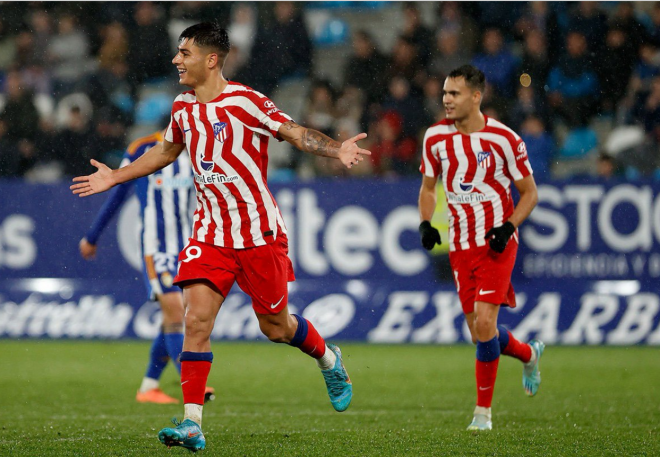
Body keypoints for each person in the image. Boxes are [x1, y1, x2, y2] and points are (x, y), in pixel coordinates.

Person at [71, 22, 370, 452]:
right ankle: (193, 423)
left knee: (276, 327)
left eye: (185, 53)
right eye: (177, 52)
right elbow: (166, 151)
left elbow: (294, 132)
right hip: (210, 234)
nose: (176, 59)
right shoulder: (182, 108)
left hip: (258, 233)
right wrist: (116, 177)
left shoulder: (246, 102)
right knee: (195, 320)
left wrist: (336, 148)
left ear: (211, 59)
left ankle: (328, 358)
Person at [417, 65, 544, 431]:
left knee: (487, 323)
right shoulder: (435, 138)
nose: (446, 99)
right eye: (444, 92)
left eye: (454, 93)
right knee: (478, 333)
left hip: (495, 243)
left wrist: (508, 227)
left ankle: (482, 415)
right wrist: (426, 223)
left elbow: (530, 193)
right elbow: (428, 188)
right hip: (459, 244)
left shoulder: (504, 139)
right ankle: (528, 353)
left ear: (476, 97)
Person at [79, 129, 217, 405]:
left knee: (174, 319)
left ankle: (149, 386)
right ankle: (193, 385)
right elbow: (117, 195)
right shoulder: (142, 148)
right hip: (156, 248)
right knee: (176, 313)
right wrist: (92, 236)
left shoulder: (195, 149)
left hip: (186, 247)